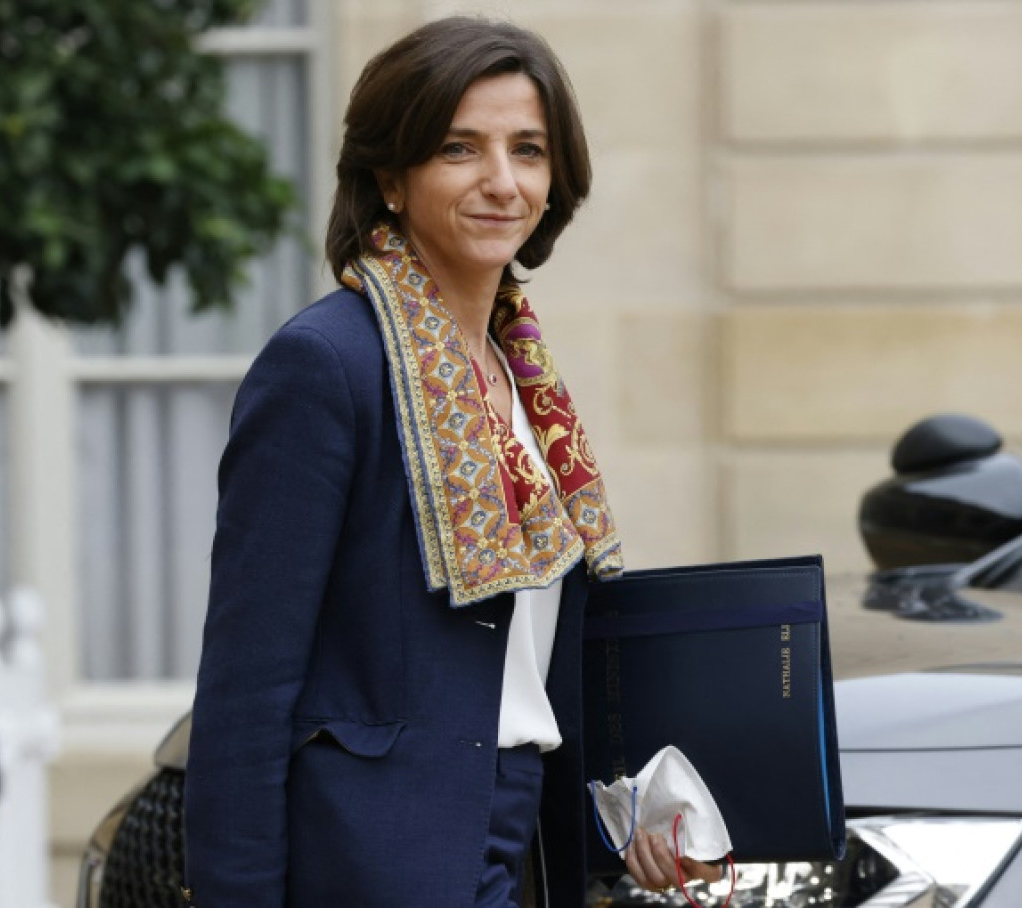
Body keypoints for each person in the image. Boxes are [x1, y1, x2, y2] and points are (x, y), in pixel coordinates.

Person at [183, 16, 721, 907]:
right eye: (459, 148)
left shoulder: (526, 382)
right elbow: (245, 689)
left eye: (529, 150)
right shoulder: (326, 366)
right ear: (390, 178)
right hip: (370, 860)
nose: (502, 182)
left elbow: (523, 675)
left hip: (520, 840)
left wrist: (624, 825)